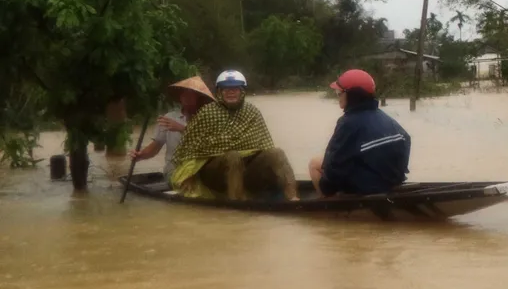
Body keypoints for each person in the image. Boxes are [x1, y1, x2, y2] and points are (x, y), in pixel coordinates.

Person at [169, 70, 298, 201]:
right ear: (219, 92)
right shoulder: (206, 113)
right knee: (233, 156)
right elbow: (189, 148)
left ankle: (292, 198)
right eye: (226, 89)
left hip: (247, 171)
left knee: (277, 153)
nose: (231, 92)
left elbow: (263, 145)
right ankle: (237, 202)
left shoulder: (252, 112)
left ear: (242, 92)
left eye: (235, 89)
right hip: (214, 174)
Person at [308, 68, 410, 196]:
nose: (337, 96)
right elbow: (406, 139)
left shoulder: (347, 123)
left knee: (315, 164)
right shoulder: (385, 118)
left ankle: (327, 207)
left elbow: (334, 164)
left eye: (339, 92)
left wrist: (327, 188)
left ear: (352, 95)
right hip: (394, 182)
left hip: (370, 186)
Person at [130, 76, 215, 179]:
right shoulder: (169, 118)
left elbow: (211, 146)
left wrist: (182, 129)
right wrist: (141, 155)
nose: (186, 96)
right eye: (184, 93)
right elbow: (156, 146)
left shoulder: (208, 119)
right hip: (174, 171)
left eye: (191, 94)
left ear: (199, 98)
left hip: (198, 171)